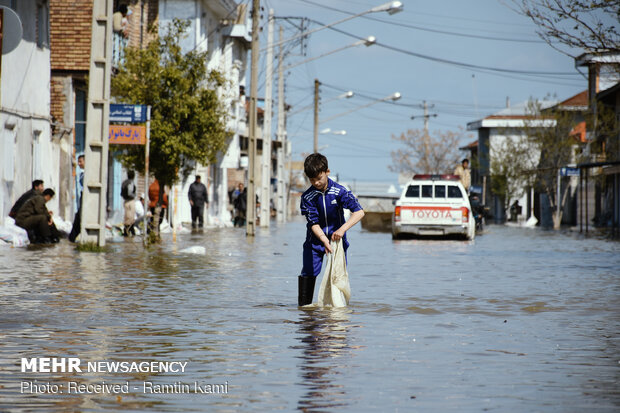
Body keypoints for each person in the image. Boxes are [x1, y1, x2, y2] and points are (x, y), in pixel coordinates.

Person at [298, 153, 365, 306]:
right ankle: (305, 313)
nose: (316, 182)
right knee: (308, 272)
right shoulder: (307, 197)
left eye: (319, 178)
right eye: (312, 179)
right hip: (315, 241)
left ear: (327, 172)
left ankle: (337, 314)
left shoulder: (340, 191)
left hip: (337, 241)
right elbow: (313, 222)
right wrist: (323, 240)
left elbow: (359, 212)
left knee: (337, 275)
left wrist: (342, 230)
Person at [69, 155, 85, 242]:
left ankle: (72, 238)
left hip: (86, 199)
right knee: (78, 218)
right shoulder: (82, 173)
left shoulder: (88, 173)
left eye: (80, 161)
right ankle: (72, 238)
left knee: (79, 218)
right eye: (78, 162)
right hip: (83, 198)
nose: (79, 164)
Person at [121, 170, 137, 236]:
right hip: (130, 201)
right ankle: (129, 231)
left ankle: (129, 232)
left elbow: (121, 193)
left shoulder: (124, 183)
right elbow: (129, 193)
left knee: (127, 216)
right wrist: (134, 195)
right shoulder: (131, 183)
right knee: (130, 217)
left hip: (125, 201)